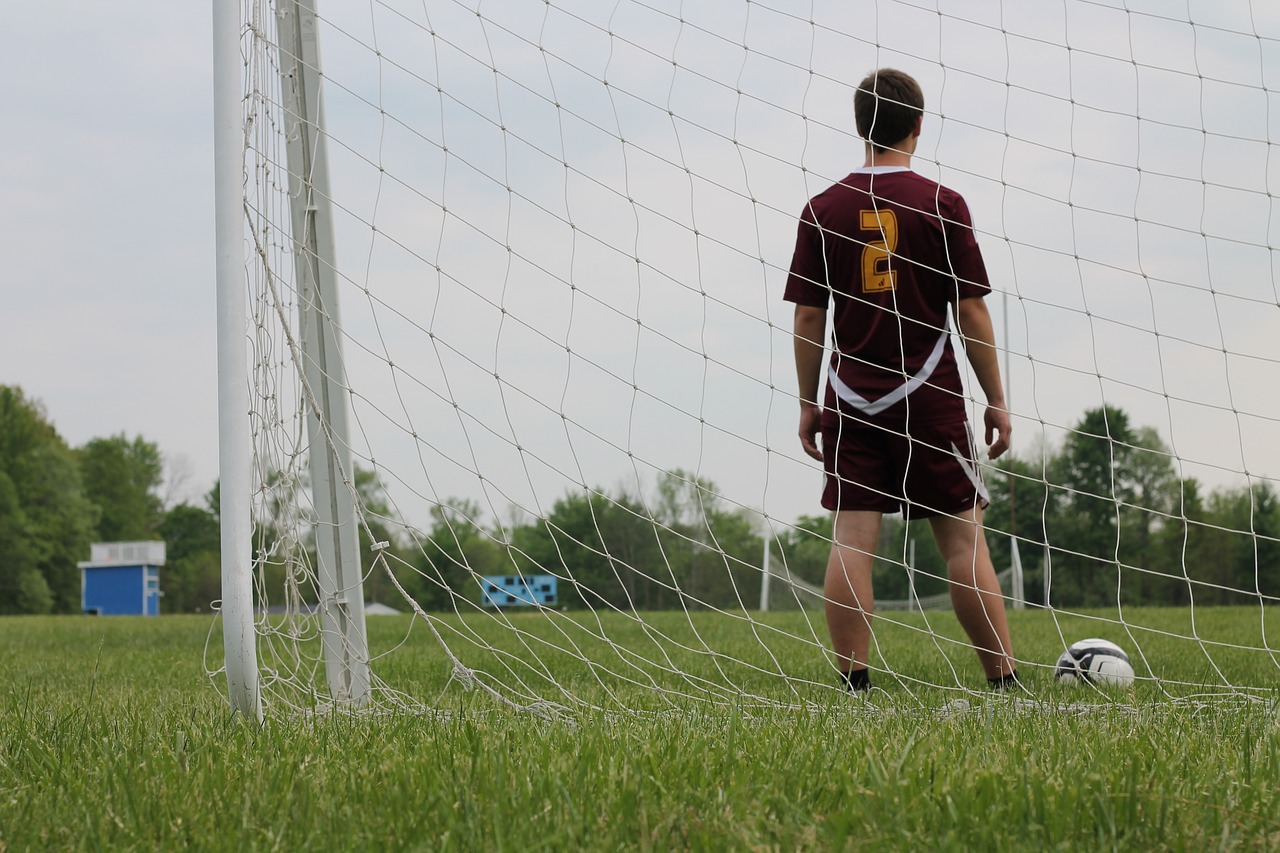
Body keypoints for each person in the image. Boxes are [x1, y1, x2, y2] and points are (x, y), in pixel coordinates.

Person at [783, 68, 1018, 692]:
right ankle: (1001, 679)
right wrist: (996, 399)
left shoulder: (821, 208)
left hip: (852, 393)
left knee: (853, 538)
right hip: (930, 391)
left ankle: (855, 683)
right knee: (963, 543)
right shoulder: (943, 204)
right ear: (918, 125)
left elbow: (810, 314)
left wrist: (810, 404)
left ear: (861, 127)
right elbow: (969, 310)